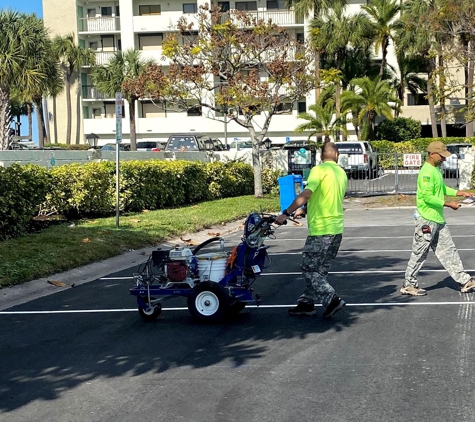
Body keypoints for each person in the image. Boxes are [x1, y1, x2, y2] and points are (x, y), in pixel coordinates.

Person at [275, 142, 348, 318]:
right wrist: (305, 210)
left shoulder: (319, 170)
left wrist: (286, 213)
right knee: (319, 270)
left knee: (309, 269)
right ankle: (306, 303)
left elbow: (307, 193)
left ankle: (332, 299)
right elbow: (327, 199)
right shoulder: (341, 173)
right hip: (336, 229)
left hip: (321, 230)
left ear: (321, 156)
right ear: (337, 155)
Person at [401, 141, 475, 296]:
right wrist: (448, 204)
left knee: (449, 250)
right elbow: (428, 197)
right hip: (427, 220)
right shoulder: (427, 172)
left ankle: (464, 280)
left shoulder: (435, 170)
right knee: (420, 252)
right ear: (432, 154)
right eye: (441, 156)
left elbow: (441, 188)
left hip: (437, 219)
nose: (444, 159)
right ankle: (409, 284)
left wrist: (459, 193)